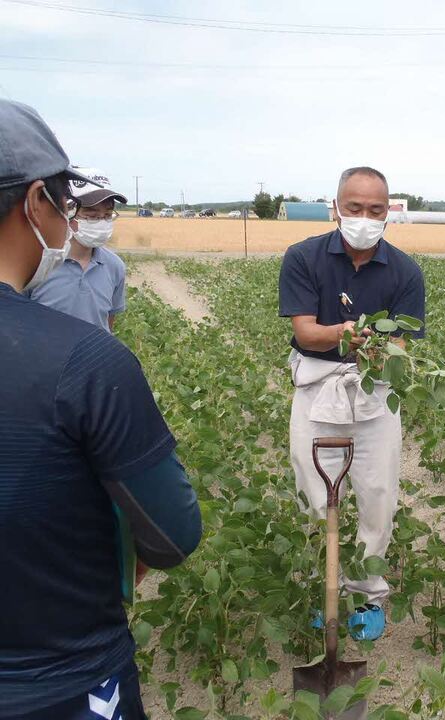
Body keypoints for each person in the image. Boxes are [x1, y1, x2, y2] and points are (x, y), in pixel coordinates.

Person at [0, 100, 201, 719]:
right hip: (58, 682)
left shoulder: (100, 311)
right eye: (64, 203)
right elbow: (172, 533)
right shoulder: (86, 365)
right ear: (36, 202)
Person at [279, 166, 425, 642]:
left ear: (389, 211)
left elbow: (399, 344)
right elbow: (305, 332)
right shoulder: (304, 257)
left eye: (376, 210)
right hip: (318, 388)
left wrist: (376, 347)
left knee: (377, 494)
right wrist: (347, 335)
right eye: (355, 208)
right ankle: (326, 587)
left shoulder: (404, 270)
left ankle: (366, 592)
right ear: (336, 206)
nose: (365, 217)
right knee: (315, 494)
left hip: (376, 390)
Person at [27, 167, 127, 332]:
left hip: (93, 356)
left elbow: (108, 323)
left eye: (108, 215)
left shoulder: (114, 266)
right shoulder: (38, 263)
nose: (101, 222)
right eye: (92, 216)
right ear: (67, 211)